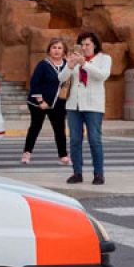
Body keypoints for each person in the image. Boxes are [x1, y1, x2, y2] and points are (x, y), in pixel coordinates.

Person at [64, 31, 111, 185]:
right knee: (75, 140)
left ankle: (99, 174)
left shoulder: (104, 59)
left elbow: (102, 75)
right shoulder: (74, 58)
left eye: (87, 44)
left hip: (93, 105)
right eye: (82, 44)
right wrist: (70, 66)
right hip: (74, 105)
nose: (84, 47)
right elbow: (60, 79)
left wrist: (84, 64)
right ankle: (77, 172)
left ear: (95, 45)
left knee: (94, 140)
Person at [21, 38, 71, 166]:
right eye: (54, 47)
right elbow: (34, 83)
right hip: (39, 103)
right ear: (49, 50)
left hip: (58, 103)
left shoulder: (67, 65)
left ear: (64, 51)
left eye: (59, 48)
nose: (56, 50)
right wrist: (40, 101)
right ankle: (27, 152)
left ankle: (63, 155)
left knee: (59, 129)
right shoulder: (43, 64)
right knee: (35, 127)